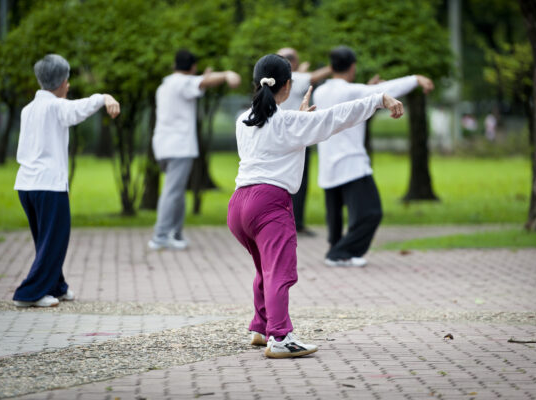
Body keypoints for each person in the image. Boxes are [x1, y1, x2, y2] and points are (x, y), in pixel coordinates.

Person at [227, 54, 404, 358]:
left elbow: (276, 134)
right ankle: (280, 338)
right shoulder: (292, 122)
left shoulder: (243, 120)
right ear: (288, 85)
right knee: (279, 273)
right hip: (269, 204)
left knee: (263, 269)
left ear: (256, 84)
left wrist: (299, 118)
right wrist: (379, 98)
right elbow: (336, 117)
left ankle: (262, 326)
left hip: (238, 205)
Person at [13, 54, 120, 307]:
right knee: (55, 240)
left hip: (26, 186)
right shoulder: (56, 106)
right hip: (49, 186)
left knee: (46, 240)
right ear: (61, 81)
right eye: (68, 79)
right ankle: (29, 294)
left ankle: (56, 286)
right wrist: (104, 97)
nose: (69, 85)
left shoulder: (28, 109)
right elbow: (78, 109)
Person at [313, 46, 434, 268]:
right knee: (371, 213)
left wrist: (366, 90)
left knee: (335, 216)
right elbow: (389, 89)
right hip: (351, 163)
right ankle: (340, 253)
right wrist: (415, 78)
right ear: (352, 67)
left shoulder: (320, 92)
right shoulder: (352, 91)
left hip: (328, 165)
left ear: (331, 67)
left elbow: (350, 102)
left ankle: (336, 249)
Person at [148, 50, 241, 250]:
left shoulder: (166, 85)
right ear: (192, 67)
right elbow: (200, 83)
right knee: (172, 191)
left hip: (163, 145)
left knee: (177, 191)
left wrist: (204, 78)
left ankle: (175, 233)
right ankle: (160, 235)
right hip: (179, 147)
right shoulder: (183, 82)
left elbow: (199, 84)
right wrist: (226, 75)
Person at [276, 48, 332, 236]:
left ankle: (282, 222)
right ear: (292, 62)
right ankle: (296, 223)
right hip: (297, 138)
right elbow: (313, 77)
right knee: (298, 183)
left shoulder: (276, 78)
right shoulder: (293, 78)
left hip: (277, 138)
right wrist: (336, 66)